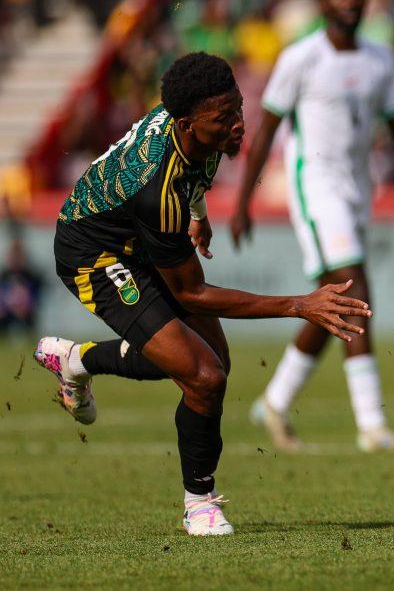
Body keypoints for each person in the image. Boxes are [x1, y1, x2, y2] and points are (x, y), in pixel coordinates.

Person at [36, 52, 372, 536]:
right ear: (190, 124)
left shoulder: (195, 127)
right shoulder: (158, 185)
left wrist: (197, 212)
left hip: (139, 235)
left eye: (238, 109)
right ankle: (200, 503)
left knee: (211, 360)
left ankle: (77, 360)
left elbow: (191, 174)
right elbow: (192, 293)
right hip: (95, 254)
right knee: (204, 377)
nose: (238, 125)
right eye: (224, 119)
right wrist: (299, 304)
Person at [231, 0, 394, 453]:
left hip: (357, 189)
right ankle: (371, 424)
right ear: (324, 3)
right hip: (316, 188)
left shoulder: (380, 58)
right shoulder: (301, 58)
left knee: (331, 302)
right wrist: (244, 200)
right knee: (356, 289)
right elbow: (265, 131)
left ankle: (275, 400)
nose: (349, 1)